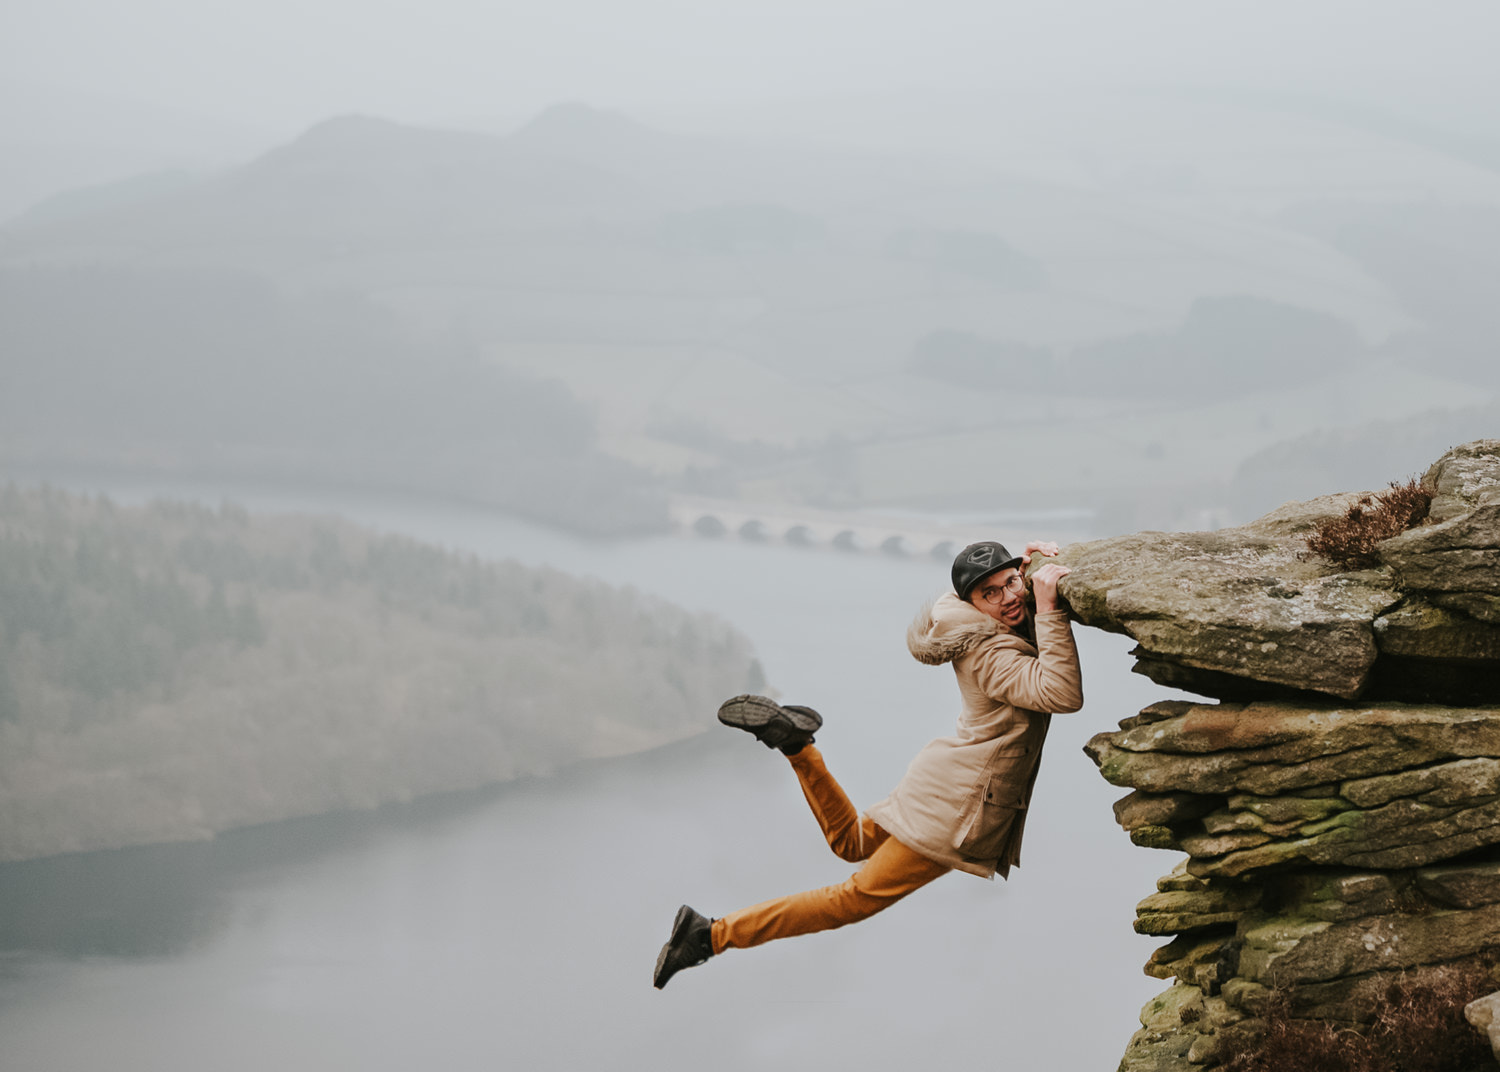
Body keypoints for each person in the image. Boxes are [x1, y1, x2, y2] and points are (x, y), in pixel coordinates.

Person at [653, 539, 1082, 989]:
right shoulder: (988, 653)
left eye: (1011, 582)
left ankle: (799, 748)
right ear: (969, 603)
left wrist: (1034, 561)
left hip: (946, 776)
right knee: (851, 900)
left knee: (851, 843)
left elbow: (1016, 605)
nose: (1009, 597)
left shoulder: (975, 622)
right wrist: (1049, 608)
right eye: (989, 593)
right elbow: (1060, 693)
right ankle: (710, 935)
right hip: (959, 807)